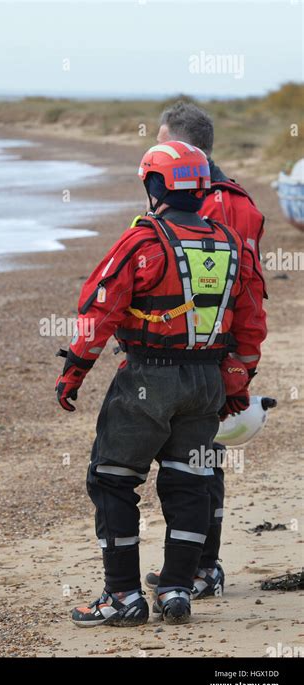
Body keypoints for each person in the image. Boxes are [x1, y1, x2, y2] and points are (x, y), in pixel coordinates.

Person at [55, 141, 266, 626]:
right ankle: (177, 588)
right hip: (208, 382)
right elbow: (252, 325)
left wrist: (74, 373)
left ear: (154, 186)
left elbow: (99, 312)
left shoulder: (142, 241)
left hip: (147, 380)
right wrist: (236, 383)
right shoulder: (231, 243)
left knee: (111, 480)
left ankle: (123, 597)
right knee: (190, 483)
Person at [145, 102, 268, 599]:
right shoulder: (239, 201)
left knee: (192, 461)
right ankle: (200, 565)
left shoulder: (220, 204)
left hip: (203, 354)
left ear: (182, 148)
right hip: (211, 353)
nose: (152, 151)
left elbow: (243, 289)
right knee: (199, 458)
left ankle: (199, 568)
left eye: (159, 141)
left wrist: (237, 364)